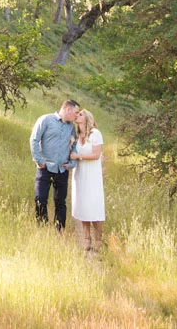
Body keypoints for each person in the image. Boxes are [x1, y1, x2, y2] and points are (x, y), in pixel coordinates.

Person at [29, 99, 80, 230]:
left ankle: (59, 231)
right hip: (45, 168)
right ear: (68, 110)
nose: (76, 116)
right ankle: (42, 229)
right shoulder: (45, 120)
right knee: (40, 199)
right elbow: (34, 139)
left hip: (62, 169)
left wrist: (72, 163)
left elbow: (74, 144)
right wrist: (39, 161)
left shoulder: (71, 127)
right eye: (76, 112)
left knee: (60, 203)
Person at [69, 108, 105, 253]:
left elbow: (96, 155)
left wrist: (80, 157)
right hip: (80, 173)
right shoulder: (77, 136)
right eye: (76, 114)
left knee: (93, 206)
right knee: (82, 205)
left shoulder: (95, 134)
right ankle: (86, 239)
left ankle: (98, 240)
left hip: (92, 175)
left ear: (87, 118)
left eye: (80, 114)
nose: (77, 116)